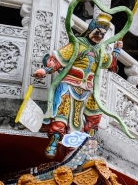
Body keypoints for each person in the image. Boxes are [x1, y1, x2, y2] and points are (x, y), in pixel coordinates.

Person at [33, 10, 118, 157]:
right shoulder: (77, 44)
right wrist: (44, 71)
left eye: (103, 34)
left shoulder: (100, 51)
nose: (99, 36)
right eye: (97, 32)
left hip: (87, 90)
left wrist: (116, 51)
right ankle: (54, 142)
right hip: (69, 85)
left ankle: (85, 147)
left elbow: (111, 65)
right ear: (91, 29)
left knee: (94, 115)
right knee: (61, 114)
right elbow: (58, 60)